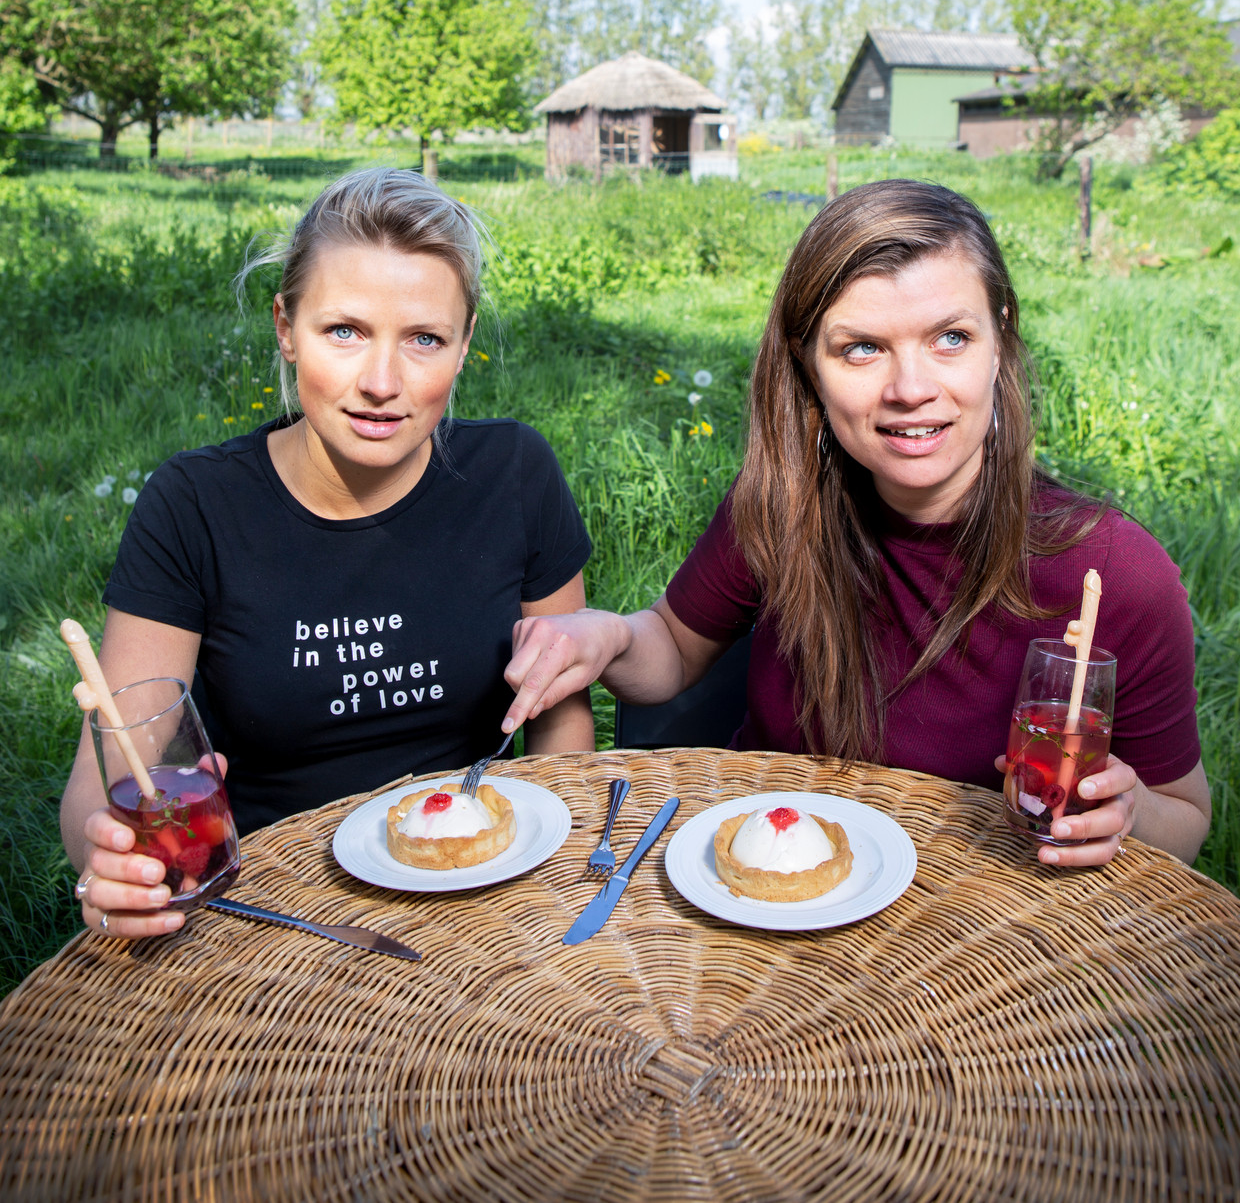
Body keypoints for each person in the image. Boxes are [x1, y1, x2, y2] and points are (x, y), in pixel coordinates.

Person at [504, 179, 1211, 868]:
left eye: (951, 338)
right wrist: (609, 635)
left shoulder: (1114, 574)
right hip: (767, 891)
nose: (910, 389)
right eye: (862, 348)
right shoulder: (781, 504)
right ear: (808, 367)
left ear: (1001, 339)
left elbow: (1185, 816)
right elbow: (671, 651)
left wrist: (1126, 813)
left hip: (979, 939)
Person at [62, 166, 595, 938]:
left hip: (479, 882)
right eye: (343, 331)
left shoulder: (515, 473)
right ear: (285, 326)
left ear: (465, 342)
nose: (381, 381)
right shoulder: (195, 506)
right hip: (272, 910)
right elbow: (107, 771)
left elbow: (559, 728)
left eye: (424, 339)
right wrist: (112, 857)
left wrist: (553, 890)